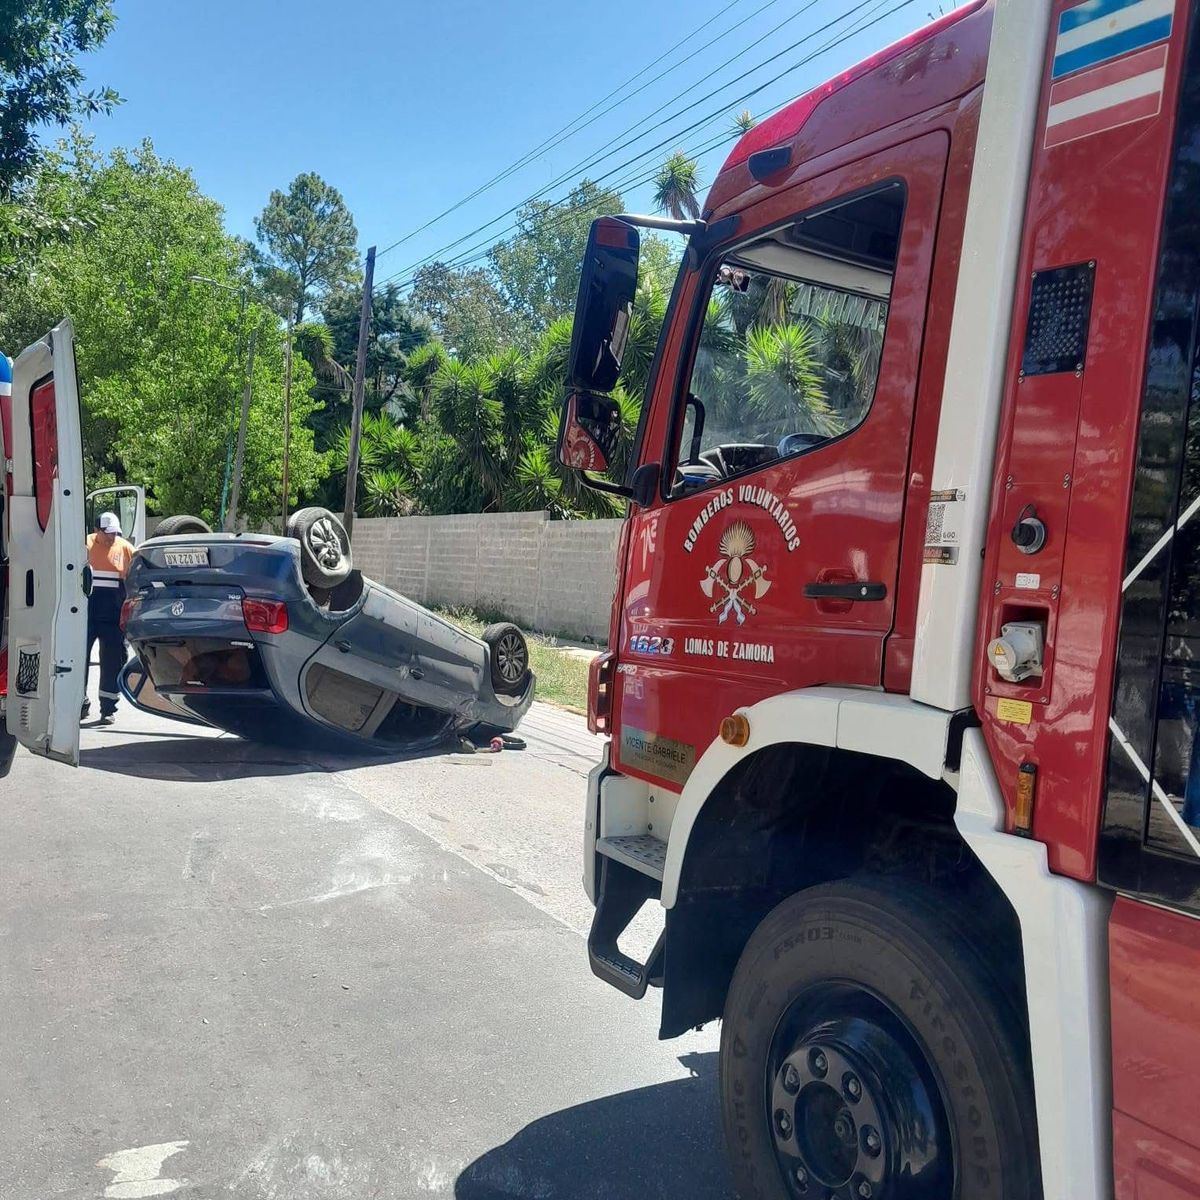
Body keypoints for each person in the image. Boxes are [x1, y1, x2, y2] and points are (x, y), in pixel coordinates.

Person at [84, 511, 134, 724]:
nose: (112, 537)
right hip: (85, 617)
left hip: (113, 618)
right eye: (108, 533)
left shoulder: (125, 549)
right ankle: (79, 703)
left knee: (112, 661)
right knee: (79, 662)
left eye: (115, 533)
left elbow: (133, 580)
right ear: (97, 531)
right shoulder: (83, 546)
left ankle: (108, 708)